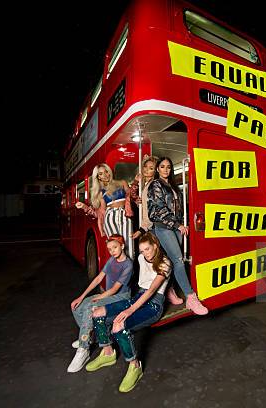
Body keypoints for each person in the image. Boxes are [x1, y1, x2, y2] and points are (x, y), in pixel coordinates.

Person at [86, 233, 172, 392]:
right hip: (139, 296)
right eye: (142, 250)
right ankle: (107, 352)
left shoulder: (165, 263)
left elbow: (152, 289)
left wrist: (130, 310)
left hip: (154, 303)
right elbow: (142, 287)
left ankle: (135, 366)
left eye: (148, 249)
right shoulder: (140, 259)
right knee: (97, 313)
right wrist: (130, 304)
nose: (145, 253)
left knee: (119, 325)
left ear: (155, 246)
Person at [147, 157, 208, 315]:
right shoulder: (156, 185)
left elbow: (179, 207)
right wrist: (177, 225)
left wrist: (182, 223)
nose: (165, 169)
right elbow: (159, 209)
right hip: (164, 228)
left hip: (177, 227)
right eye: (162, 166)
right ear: (157, 169)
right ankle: (191, 297)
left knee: (171, 262)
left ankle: (169, 291)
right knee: (178, 260)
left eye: (168, 167)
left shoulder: (173, 185)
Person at [67, 234, 133, 373]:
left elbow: (115, 289)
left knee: (91, 306)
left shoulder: (128, 264)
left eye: (115, 247)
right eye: (109, 249)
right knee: (77, 306)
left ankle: (83, 349)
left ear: (122, 246)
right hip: (109, 294)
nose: (112, 251)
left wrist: (98, 299)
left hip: (120, 297)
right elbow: (98, 279)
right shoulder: (111, 260)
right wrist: (82, 296)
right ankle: (88, 336)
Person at [130, 155, 182, 306]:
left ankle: (167, 290)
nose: (147, 170)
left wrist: (142, 229)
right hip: (148, 226)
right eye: (145, 167)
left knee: (163, 261)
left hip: (153, 226)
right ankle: (159, 291)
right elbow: (132, 196)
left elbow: (153, 212)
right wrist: (135, 188)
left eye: (151, 168)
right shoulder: (145, 184)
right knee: (155, 261)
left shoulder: (154, 185)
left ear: (156, 171)